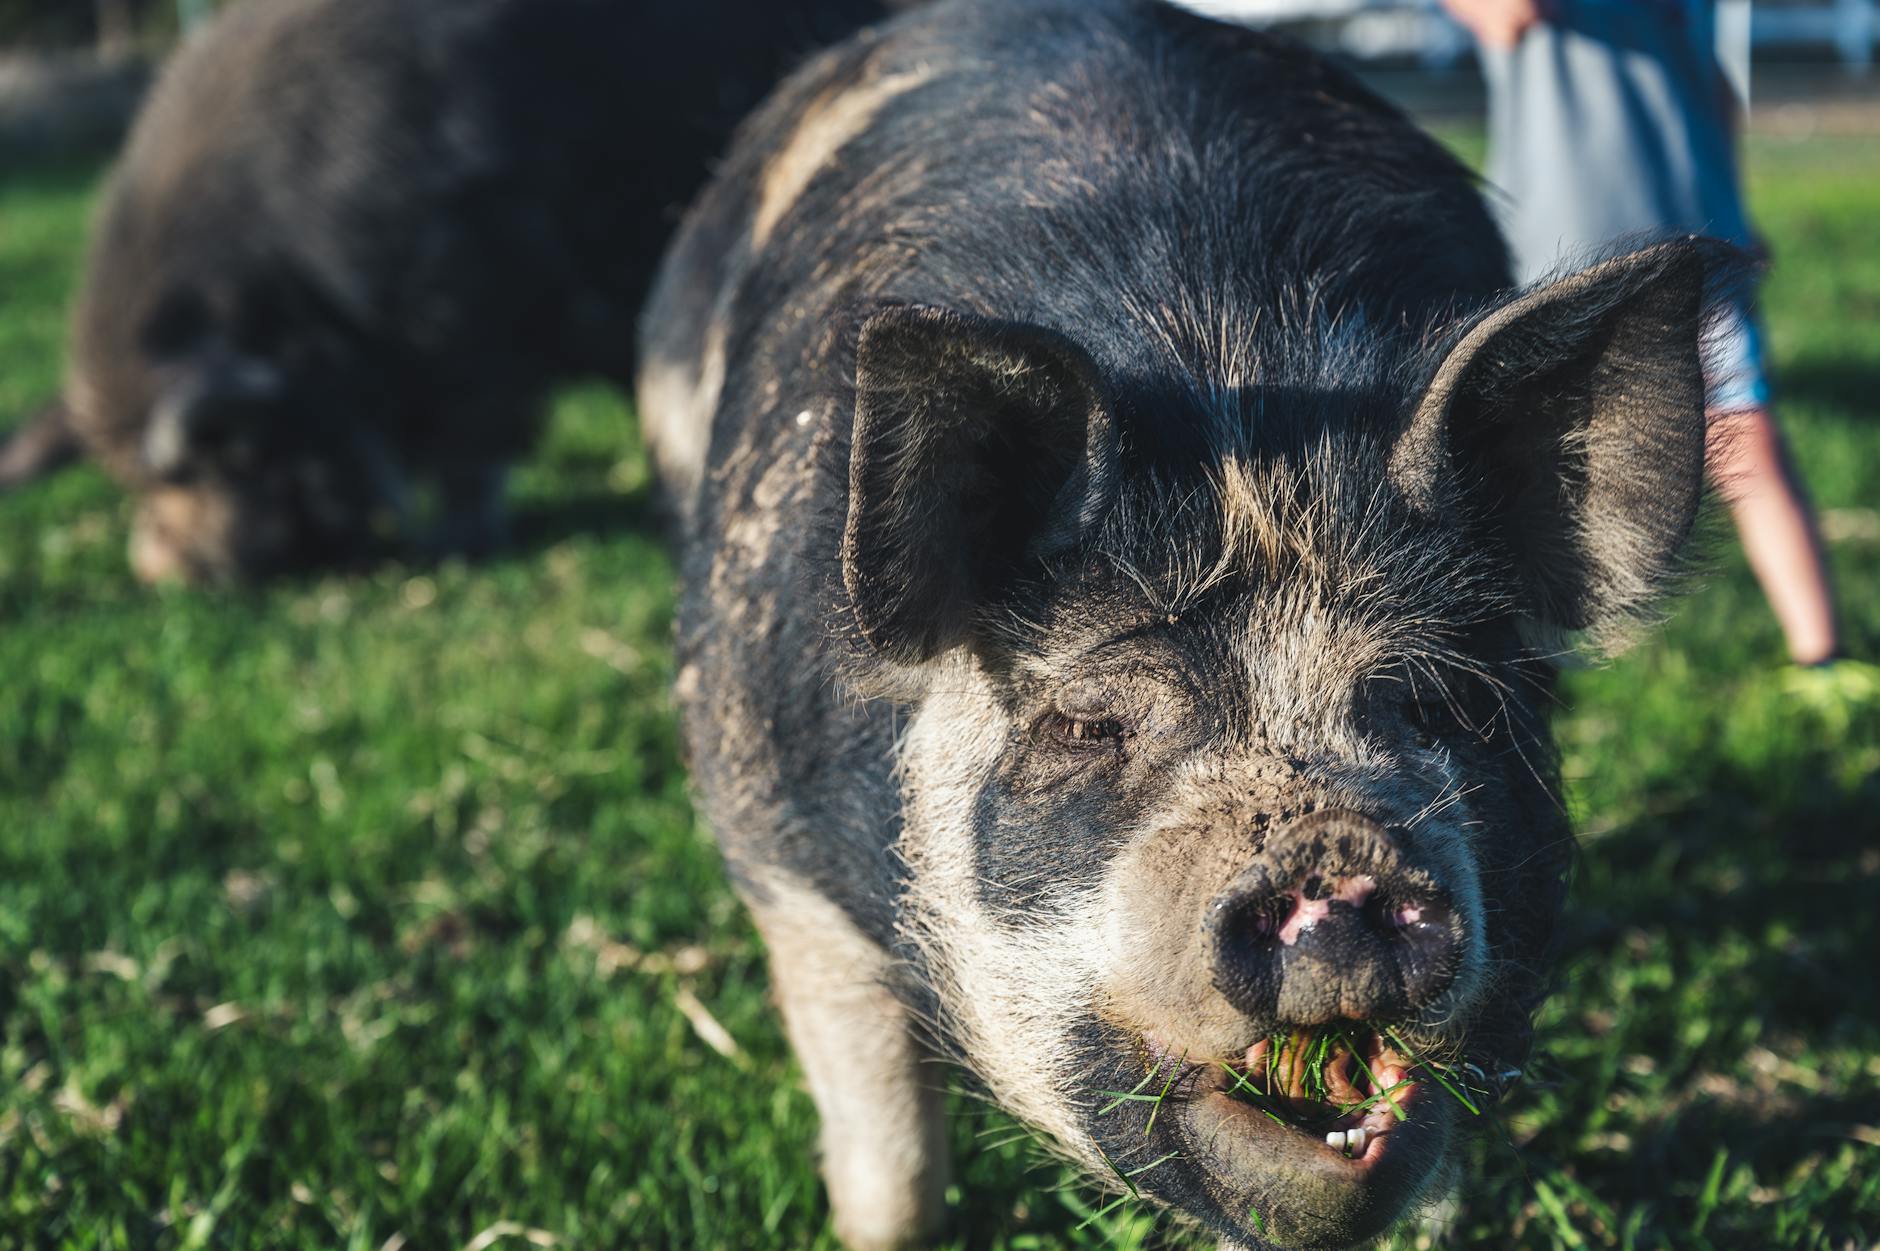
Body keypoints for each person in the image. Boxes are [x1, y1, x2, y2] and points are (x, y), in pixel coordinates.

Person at [1443, 0, 1843, 666]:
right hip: (1553, 259)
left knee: (1750, 447)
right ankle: (1516, 663)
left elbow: (1708, 82)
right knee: (1526, 464)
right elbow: (1508, 15)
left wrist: (1735, 210)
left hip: (1690, 247)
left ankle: (1823, 656)